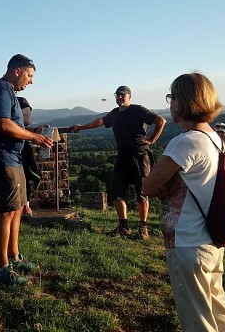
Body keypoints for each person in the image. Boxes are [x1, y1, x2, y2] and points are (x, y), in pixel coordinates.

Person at [141, 73, 225, 332]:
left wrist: (158, 181)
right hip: (211, 241)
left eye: (172, 98)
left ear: (184, 102)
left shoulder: (185, 141)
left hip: (188, 242)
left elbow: (149, 186)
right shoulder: (213, 138)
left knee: (197, 320)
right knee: (219, 308)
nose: (171, 104)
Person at [0, 54, 54, 285]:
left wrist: (34, 131)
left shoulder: (10, 92)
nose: (31, 81)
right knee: (7, 211)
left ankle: (15, 257)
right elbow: (4, 124)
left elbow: (17, 125)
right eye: (29, 76)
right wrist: (34, 137)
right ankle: (2, 268)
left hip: (13, 158)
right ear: (18, 70)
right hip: (0, 158)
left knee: (19, 208)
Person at [70, 85, 166, 240]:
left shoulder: (137, 110)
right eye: (117, 95)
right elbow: (100, 121)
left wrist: (151, 140)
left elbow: (161, 121)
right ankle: (124, 227)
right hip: (122, 157)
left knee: (141, 193)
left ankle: (143, 227)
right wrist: (82, 127)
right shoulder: (114, 114)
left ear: (129, 96)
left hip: (139, 155)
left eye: (123, 95)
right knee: (116, 191)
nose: (120, 97)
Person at [17, 96, 41, 218]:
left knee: (25, 177)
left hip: (22, 146)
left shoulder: (19, 101)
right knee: (19, 178)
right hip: (16, 147)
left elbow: (23, 126)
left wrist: (36, 130)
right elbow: (23, 123)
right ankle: (20, 207)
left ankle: (25, 206)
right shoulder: (19, 102)